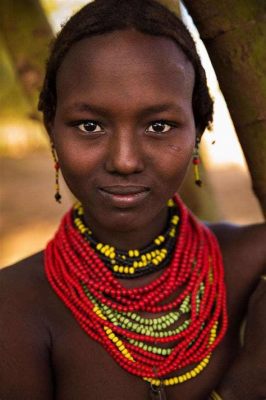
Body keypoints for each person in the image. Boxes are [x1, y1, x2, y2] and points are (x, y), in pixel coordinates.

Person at [0, 1, 265, 399]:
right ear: (52, 130)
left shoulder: (254, 258)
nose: (124, 161)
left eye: (159, 126)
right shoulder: (15, 306)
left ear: (198, 129)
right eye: (89, 125)